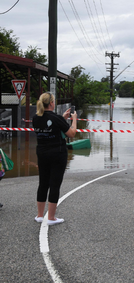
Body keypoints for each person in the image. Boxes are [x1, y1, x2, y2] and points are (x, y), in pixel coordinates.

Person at [33, 92, 77, 225]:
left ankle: (40, 215)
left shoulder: (36, 117)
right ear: (52, 103)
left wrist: (62, 119)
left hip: (42, 153)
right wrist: (74, 119)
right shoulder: (56, 118)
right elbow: (72, 133)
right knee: (55, 184)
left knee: (43, 183)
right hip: (57, 154)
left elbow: (51, 127)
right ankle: (51, 218)